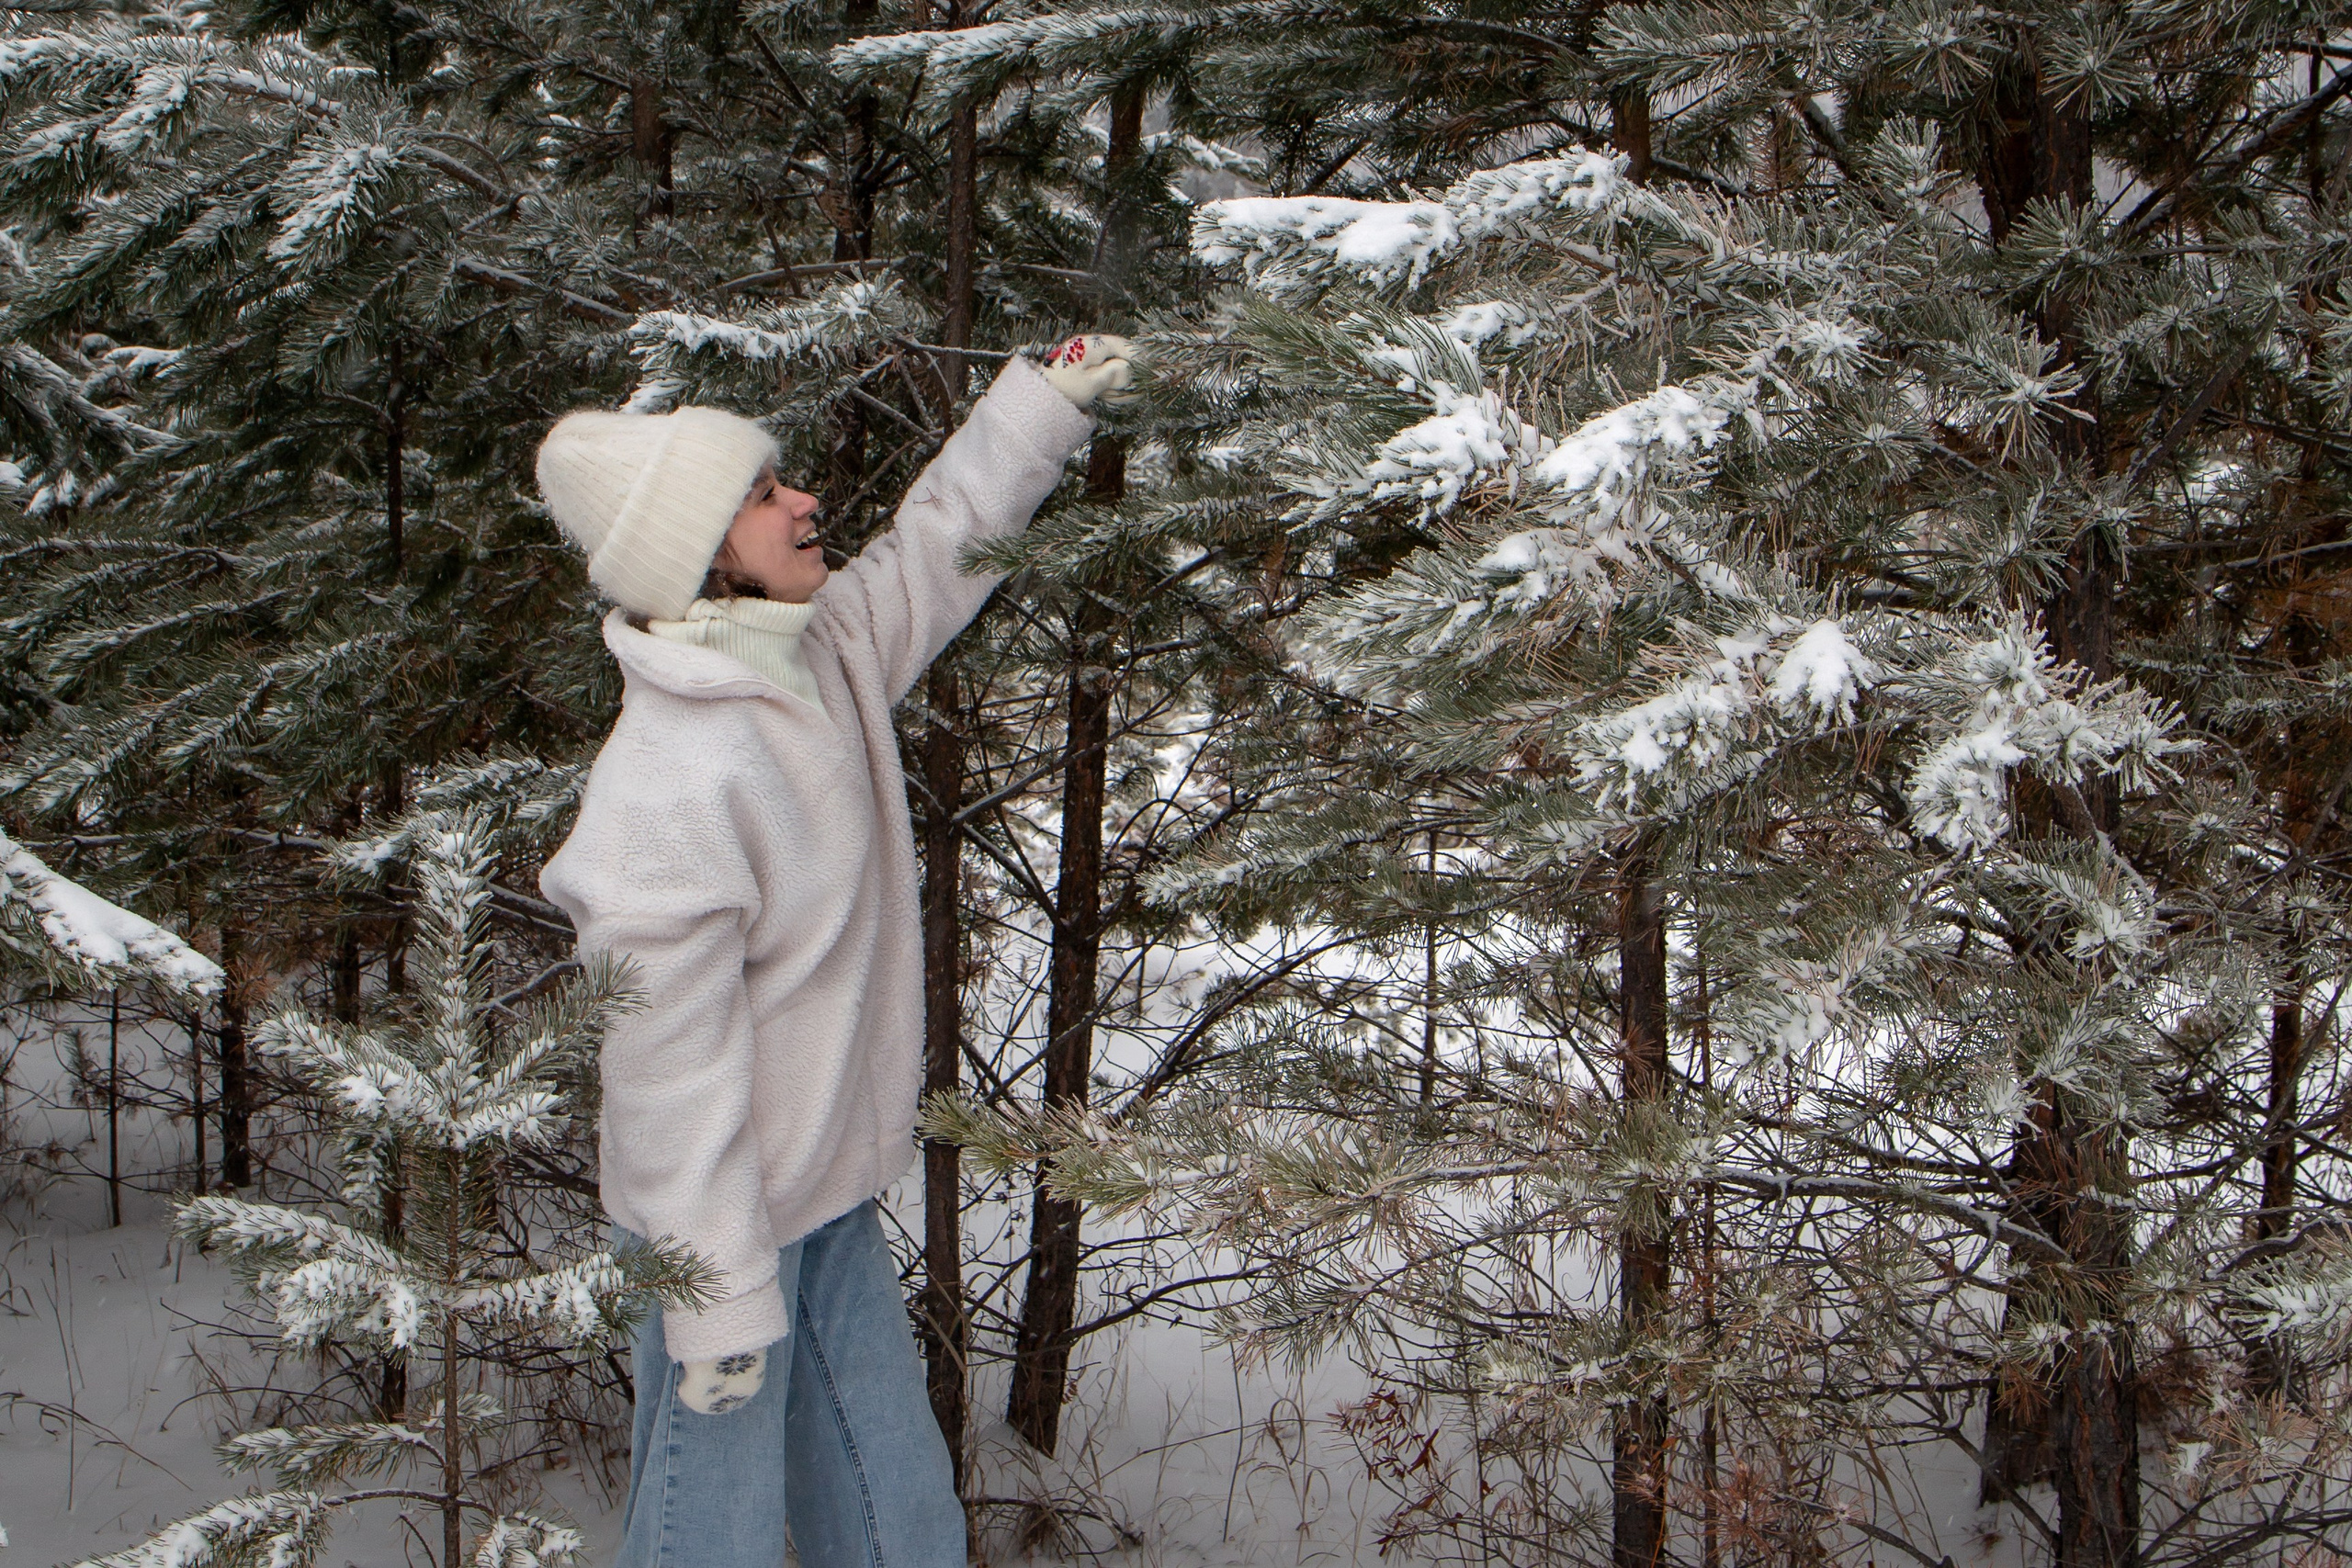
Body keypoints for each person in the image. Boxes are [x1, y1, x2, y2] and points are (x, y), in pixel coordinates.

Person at [534, 335, 1137, 1568]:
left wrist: (1043, 405)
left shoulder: (821, 658)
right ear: (700, 555)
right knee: (714, 1535)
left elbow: (935, 546)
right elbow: (665, 1080)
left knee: (896, 1514)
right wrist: (715, 1308)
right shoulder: (665, 787)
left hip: (824, 1206)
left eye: (782, 480)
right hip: (717, 1238)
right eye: (761, 495)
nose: (804, 500)